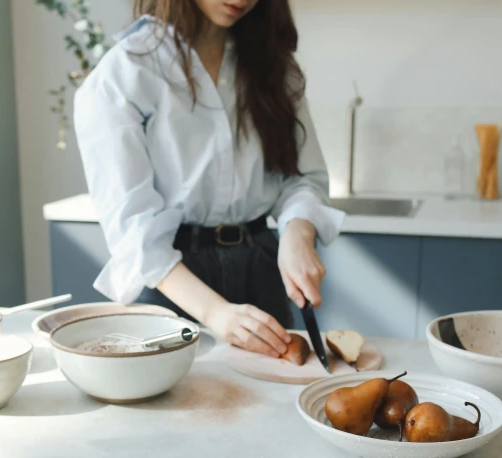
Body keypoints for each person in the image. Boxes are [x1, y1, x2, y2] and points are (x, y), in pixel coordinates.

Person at [73, 0, 344, 358]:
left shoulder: (273, 64)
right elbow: (133, 231)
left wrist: (298, 230)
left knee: (272, 407)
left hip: (261, 268)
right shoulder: (125, 73)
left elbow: (302, 178)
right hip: (172, 281)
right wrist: (214, 312)